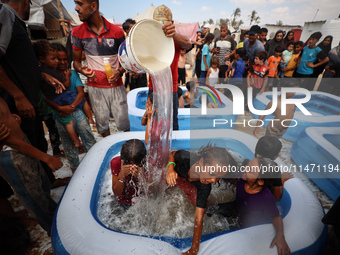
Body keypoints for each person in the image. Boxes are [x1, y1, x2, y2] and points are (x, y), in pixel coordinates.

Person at [0, 0, 68, 188]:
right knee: (26, 155)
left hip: (29, 101)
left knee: (38, 141)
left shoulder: (15, 20)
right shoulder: (4, 13)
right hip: (16, 105)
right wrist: (18, 96)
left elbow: (17, 63)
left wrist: (41, 75)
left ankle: (49, 183)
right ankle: (42, 206)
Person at [0, 98, 63, 234]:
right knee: (34, 198)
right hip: (10, 153)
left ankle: (57, 219)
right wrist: (47, 158)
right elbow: (9, 140)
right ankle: (54, 231)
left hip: (22, 143)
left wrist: (11, 117)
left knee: (41, 186)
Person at [166, 144, 238, 255]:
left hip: (192, 185)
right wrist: (170, 169)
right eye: (212, 174)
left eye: (218, 177)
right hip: (178, 175)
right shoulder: (186, 158)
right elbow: (173, 154)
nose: (214, 180)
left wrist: (194, 249)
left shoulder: (205, 186)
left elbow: (198, 219)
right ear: (201, 162)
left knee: (201, 205)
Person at [72, 0, 130, 137]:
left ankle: (129, 150)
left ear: (93, 6)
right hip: (95, 88)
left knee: (124, 124)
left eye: (80, 4)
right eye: (75, 3)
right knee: (102, 125)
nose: (76, 8)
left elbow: (126, 60)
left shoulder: (116, 31)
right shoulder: (77, 32)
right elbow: (76, 62)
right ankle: (109, 152)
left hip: (116, 86)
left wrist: (120, 71)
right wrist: (82, 70)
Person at [45, 43, 96, 172]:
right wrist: (61, 109)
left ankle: (95, 163)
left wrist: (71, 107)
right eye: (58, 59)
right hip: (60, 113)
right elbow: (46, 97)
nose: (62, 62)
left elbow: (80, 93)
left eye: (64, 59)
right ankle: (75, 168)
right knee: (68, 143)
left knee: (87, 135)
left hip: (76, 111)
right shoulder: (50, 77)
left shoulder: (72, 74)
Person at [33, 40, 86, 148]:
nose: (58, 62)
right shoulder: (53, 72)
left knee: (67, 122)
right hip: (61, 100)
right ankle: (76, 141)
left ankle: (76, 140)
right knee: (68, 122)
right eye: (54, 59)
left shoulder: (39, 71)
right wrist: (67, 75)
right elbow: (66, 85)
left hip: (56, 102)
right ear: (42, 59)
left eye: (63, 59)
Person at [148, 5, 192, 131]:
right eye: (158, 23)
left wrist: (174, 35)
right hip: (153, 88)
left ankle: (173, 149)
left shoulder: (176, 39)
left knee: (172, 122)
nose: (162, 26)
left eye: (165, 23)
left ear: (172, 23)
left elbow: (188, 43)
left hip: (170, 89)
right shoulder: (149, 37)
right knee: (153, 122)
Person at [254, 136, 293, 201]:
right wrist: (281, 180)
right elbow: (277, 198)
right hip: (262, 202)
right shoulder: (274, 171)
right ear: (276, 156)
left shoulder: (250, 163)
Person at [111, 139, 146, 209]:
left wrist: (141, 178)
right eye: (128, 163)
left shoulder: (148, 163)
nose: (132, 167)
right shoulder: (116, 162)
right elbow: (116, 193)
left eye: (136, 164)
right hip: (124, 202)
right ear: (122, 160)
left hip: (143, 201)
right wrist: (122, 175)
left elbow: (151, 192)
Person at [122, 18, 147, 91]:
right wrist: (130, 70)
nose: (134, 29)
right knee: (134, 91)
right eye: (132, 28)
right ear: (127, 30)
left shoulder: (140, 40)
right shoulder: (124, 43)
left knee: (143, 91)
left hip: (141, 71)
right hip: (131, 72)